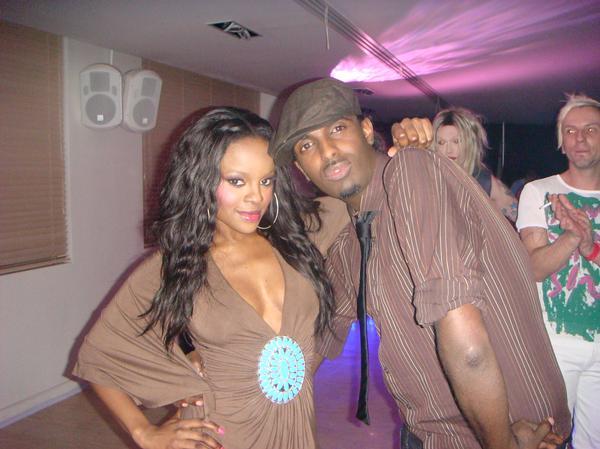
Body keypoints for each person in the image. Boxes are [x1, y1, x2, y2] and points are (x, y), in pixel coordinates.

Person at [270, 78, 571, 449]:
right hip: (433, 436)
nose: (327, 151)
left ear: (366, 130)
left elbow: (468, 347)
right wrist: (234, 391)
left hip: (505, 433)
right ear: (301, 168)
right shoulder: (351, 245)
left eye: (336, 129)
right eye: (306, 145)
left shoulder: (411, 171)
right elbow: (316, 341)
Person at [72, 107, 339, 449]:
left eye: (266, 180)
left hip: (296, 431)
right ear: (202, 180)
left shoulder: (298, 241)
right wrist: (144, 433)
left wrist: (407, 150)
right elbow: (99, 356)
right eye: (236, 181)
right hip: (221, 435)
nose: (256, 197)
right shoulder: (176, 263)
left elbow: (369, 190)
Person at [516, 94, 600, 449]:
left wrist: (590, 246)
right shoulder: (538, 192)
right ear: (561, 141)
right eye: (571, 130)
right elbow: (533, 269)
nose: (580, 138)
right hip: (554, 343)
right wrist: (571, 238)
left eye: (591, 129)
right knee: (547, 438)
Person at [431, 107, 518, 221]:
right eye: (441, 142)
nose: (448, 150)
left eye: (456, 141)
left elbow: (521, 217)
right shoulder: (428, 175)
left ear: (469, 143)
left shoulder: (482, 180)